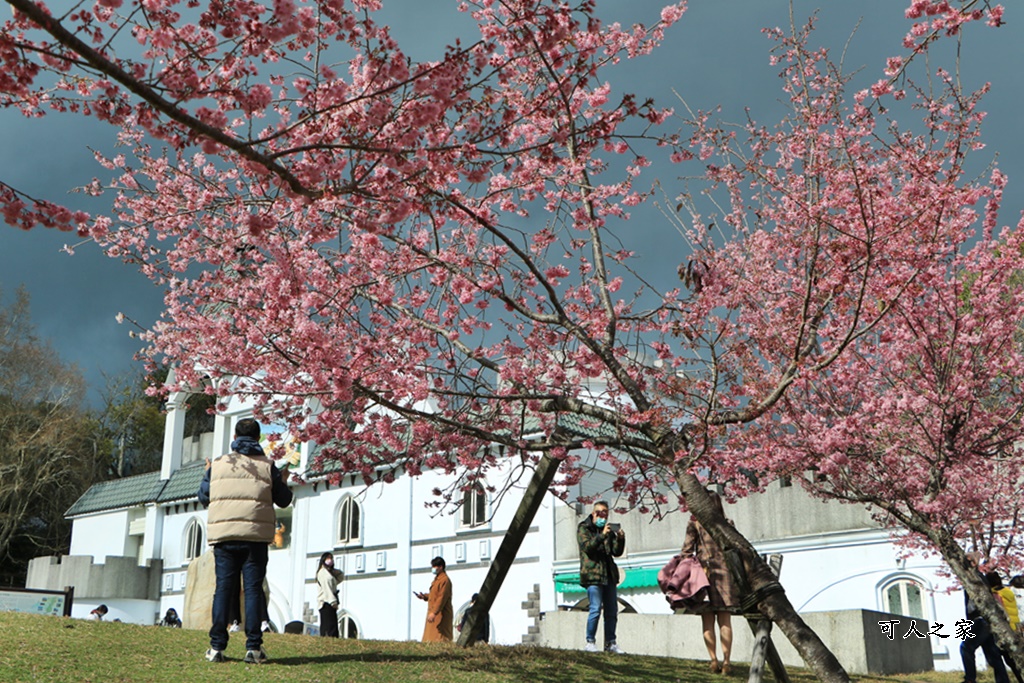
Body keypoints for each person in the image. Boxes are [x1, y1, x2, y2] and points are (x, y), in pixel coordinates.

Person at [198, 418, 293, 664]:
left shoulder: (218, 465)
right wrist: (281, 480)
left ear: (235, 437)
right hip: (254, 538)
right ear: (259, 438)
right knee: (252, 591)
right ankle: (253, 648)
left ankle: (217, 647)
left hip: (225, 536)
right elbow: (283, 500)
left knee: (223, 590)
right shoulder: (267, 466)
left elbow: (203, 496)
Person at [682, 490, 739, 675]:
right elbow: (735, 548)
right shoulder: (727, 524)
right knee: (725, 619)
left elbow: (686, 551)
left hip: (703, 575)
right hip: (725, 574)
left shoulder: (695, 523)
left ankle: (713, 660)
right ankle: (727, 661)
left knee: (707, 621)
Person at [577, 500, 625, 654]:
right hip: (593, 575)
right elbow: (588, 548)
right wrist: (601, 536)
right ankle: (590, 641)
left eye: (605, 512)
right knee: (595, 609)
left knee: (612, 611)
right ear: (593, 513)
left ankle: (611, 643)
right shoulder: (584, 528)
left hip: (609, 575)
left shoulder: (608, 530)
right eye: (599, 512)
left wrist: (620, 538)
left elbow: (615, 552)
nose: (602, 515)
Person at [961, 554, 1010, 683]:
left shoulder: (974, 578)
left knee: (966, 647)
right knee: (993, 653)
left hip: (981, 618)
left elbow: (976, 600)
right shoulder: (978, 577)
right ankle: (1003, 680)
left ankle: (970, 679)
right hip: (985, 618)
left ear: (973, 563)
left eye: (966, 561)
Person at [987, 571, 1023, 683]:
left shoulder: (995, 594)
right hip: (1016, 626)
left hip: (1006, 629)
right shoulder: (1009, 592)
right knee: (1015, 659)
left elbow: (1000, 612)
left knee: (1005, 658)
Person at [416, 556, 453, 642]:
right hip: (434, 613)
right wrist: (424, 596)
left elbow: (441, 598)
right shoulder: (437, 580)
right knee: (430, 638)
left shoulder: (445, 580)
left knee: (440, 638)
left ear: (441, 567)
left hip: (440, 614)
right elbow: (434, 595)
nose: (433, 568)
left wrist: (434, 613)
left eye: (434, 566)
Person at [316, 552, 343, 637]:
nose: (330, 560)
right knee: (329, 627)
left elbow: (339, 577)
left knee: (333, 626)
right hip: (326, 603)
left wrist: (333, 570)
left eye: (331, 558)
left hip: (329, 603)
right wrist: (333, 602)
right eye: (328, 558)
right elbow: (327, 588)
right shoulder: (323, 573)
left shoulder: (329, 573)